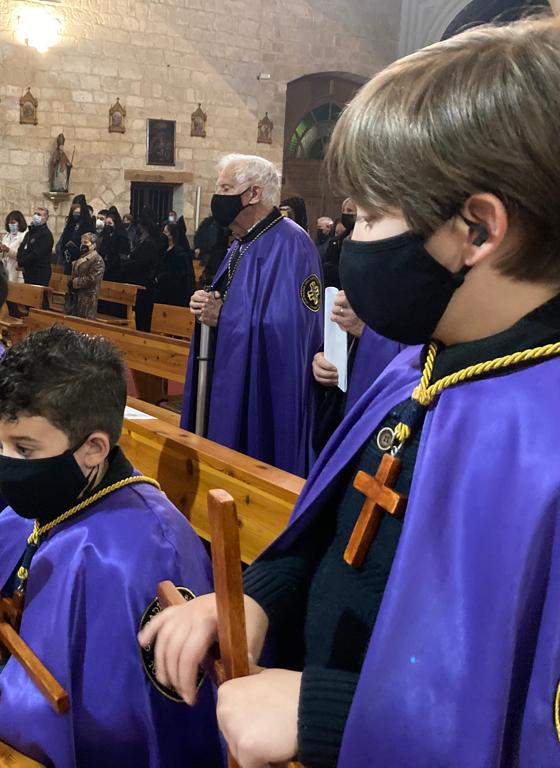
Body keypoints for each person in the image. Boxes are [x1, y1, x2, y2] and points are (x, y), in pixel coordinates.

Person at [145, 18, 560, 767]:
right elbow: (343, 535)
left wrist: (330, 715)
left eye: (368, 216)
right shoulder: (423, 368)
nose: (352, 241)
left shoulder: (543, 435)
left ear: (477, 230)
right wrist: (261, 595)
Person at [0, 327, 222, 767]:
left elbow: (118, 726)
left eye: (23, 447)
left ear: (94, 448)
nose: (5, 463)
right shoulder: (38, 503)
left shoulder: (139, 555)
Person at [180, 154, 323, 476]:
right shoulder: (243, 243)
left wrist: (224, 317)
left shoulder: (291, 243)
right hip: (232, 371)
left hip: (266, 388)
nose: (219, 197)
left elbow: (291, 329)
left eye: (226, 188)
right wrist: (206, 303)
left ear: (254, 194)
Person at [311, 291, 408, 452]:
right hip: (337, 417)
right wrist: (325, 360)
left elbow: (421, 358)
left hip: (386, 430)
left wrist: (369, 333)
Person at [120, 207, 164, 331]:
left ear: (144, 226)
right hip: (139, 282)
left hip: (145, 284)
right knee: (140, 315)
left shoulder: (149, 243)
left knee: (143, 317)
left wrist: (128, 262)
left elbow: (143, 262)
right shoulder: (144, 241)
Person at [155, 218, 195, 307]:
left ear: (171, 235)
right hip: (163, 290)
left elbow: (177, 274)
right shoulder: (164, 249)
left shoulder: (179, 253)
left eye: (165, 232)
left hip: (174, 293)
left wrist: (160, 277)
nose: (163, 234)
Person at [66, 231, 104, 319]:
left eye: (86, 243)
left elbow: (92, 278)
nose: (83, 245)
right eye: (81, 242)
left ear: (94, 245)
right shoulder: (82, 257)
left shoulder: (97, 260)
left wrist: (75, 282)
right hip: (75, 296)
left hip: (88, 298)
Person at [320, 198, 357, 288]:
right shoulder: (336, 241)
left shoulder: (365, 238)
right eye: (343, 210)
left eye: (350, 211)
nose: (345, 213)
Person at [55, 194, 95, 272]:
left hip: (82, 261)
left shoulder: (87, 224)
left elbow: (90, 243)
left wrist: (77, 246)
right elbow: (64, 239)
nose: (76, 215)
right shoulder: (71, 223)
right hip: (68, 259)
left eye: (78, 213)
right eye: (74, 212)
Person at [15, 206, 53, 287]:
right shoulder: (30, 233)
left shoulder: (45, 235)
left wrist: (22, 262)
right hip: (28, 272)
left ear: (45, 218)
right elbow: (21, 248)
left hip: (39, 274)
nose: (36, 216)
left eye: (39, 214)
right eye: (35, 213)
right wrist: (19, 260)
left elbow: (36, 254)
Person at [0, 210, 27, 283]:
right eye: (9, 223)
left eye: (13, 223)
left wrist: (8, 250)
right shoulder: (6, 236)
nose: (10, 225)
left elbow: (22, 256)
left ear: (20, 223)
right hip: (6, 270)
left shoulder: (24, 236)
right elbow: (0, 258)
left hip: (17, 271)